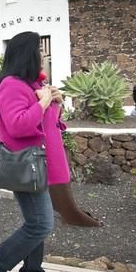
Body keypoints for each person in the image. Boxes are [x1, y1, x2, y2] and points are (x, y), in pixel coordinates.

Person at [0, 31, 66, 272]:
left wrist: (56, 103)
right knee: (40, 224)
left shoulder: (31, 85)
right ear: (27, 53)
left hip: (39, 164)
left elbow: (47, 122)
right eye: (39, 50)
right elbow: (18, 124)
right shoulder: (11, 85)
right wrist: (42, 101)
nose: (43, 54)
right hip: (25, 164)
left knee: (36, 221)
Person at [36, 71, 102, 227]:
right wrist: (45, 100)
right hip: (43, 143)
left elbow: (54, 117)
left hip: (53, 139)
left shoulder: (42, 87)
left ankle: (68, 211)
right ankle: (67, 213)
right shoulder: (26, 88)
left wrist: (57, 102)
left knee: (60, 177)